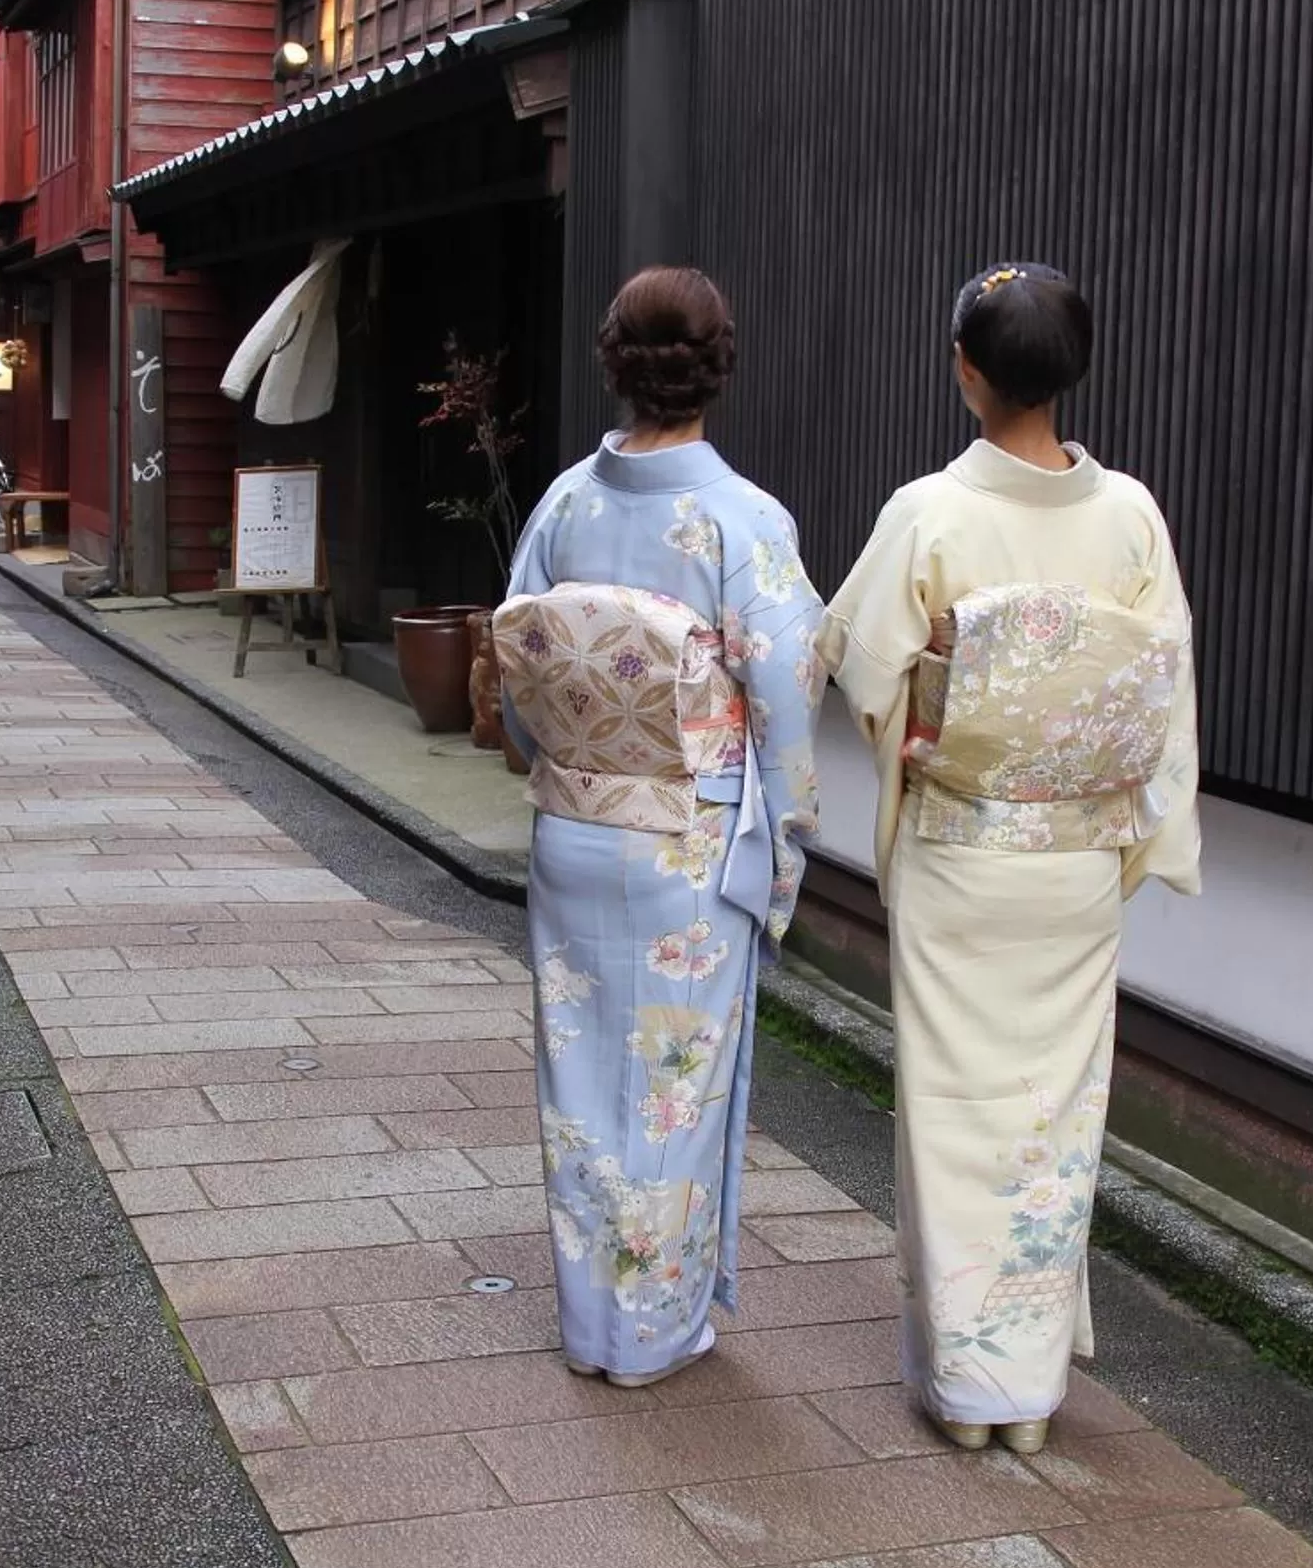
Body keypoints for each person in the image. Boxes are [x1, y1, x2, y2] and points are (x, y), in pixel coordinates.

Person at [817, 262, 1201, 1454]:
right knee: (1054, 1114)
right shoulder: (1131, 514)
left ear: (966, 373)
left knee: (955, 1111)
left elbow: (863, 671)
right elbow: (1161, 697)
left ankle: (968, 1388)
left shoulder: (928, 513)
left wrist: (945, 696)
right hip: (1076, 864)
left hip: (963, 853)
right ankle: (1026, 1396)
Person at [495, 267, 824, 1387]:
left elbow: (518, 686)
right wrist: (787, 846)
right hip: (688, 847)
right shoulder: (743, 521)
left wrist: (569, 760)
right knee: (673, 1091)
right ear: (716, 365)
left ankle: (593, 1325)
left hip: (575, 831)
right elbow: (786, 702)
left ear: (614, 362)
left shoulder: (563, 505)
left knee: (584, 1085)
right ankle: (651, 1333)